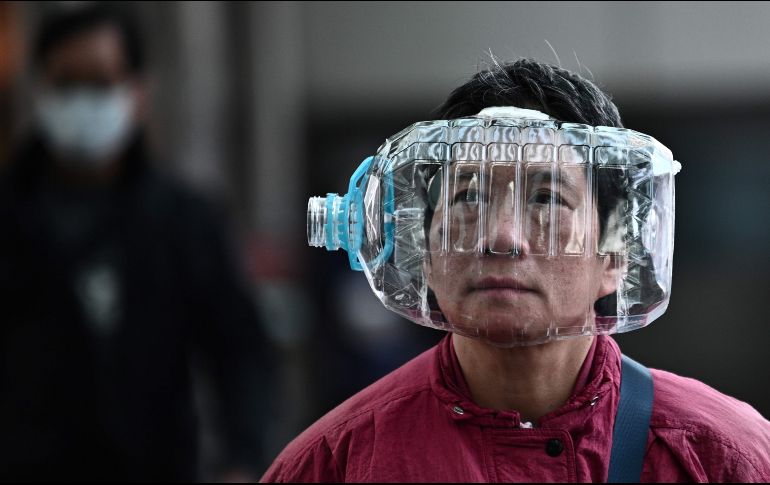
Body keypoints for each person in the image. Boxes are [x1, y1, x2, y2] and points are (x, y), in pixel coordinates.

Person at [262, 59, 770, 482]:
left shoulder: (720, 457)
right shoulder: (335, 464)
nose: (501, 237)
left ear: (615, 256)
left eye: (548, 199)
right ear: (425, 252)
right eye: (468, 198)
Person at [0, 5, 269, 481]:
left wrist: (242, 461)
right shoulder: (11, 215)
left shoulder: (184, 219)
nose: (83, 102)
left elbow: (238, 349)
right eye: (67, 83)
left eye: (101, 83)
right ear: (39, 91)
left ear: (136, 93)